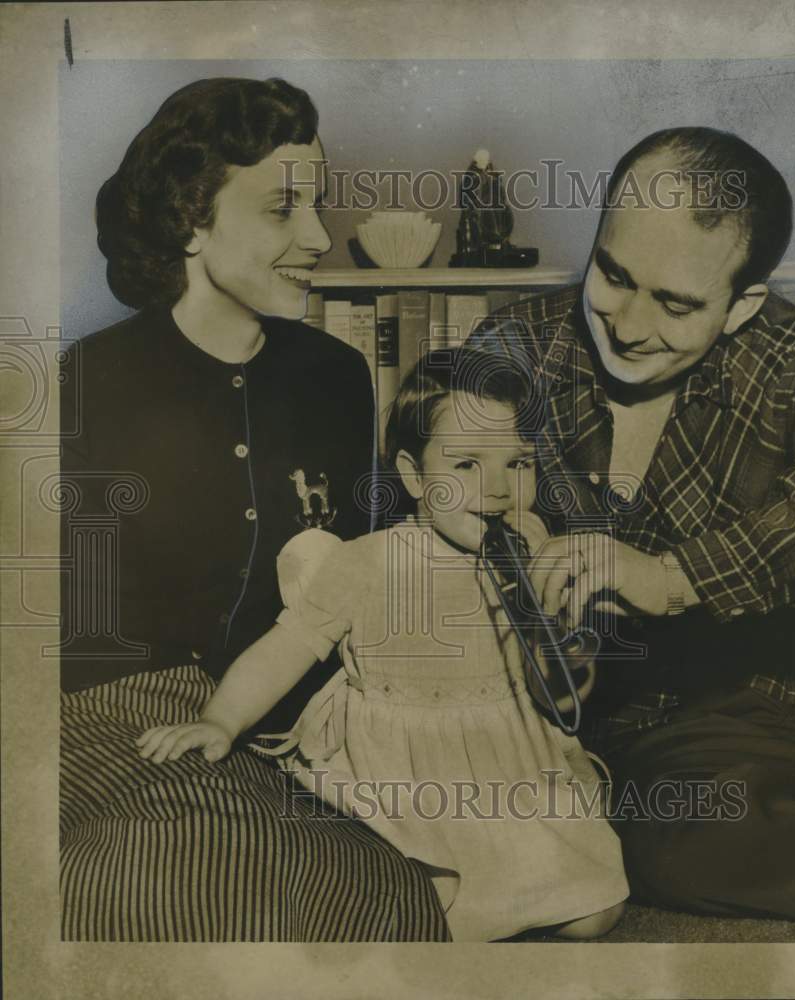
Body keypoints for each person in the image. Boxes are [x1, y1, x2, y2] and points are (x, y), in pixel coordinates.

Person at [59, 76, 448, 941]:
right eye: (282, 211)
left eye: (316, 208)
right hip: (108, 718)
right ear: (189, 219)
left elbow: (361, 569)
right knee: (186, 869)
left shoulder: (337, 378)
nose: (316, 237)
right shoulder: (82, 384)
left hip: (290, 718)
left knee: (392, 890)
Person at [137, 347, 630, 942]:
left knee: (595, 911)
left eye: (519, 464)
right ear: (414, 475)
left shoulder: (524, 555)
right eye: (467, 465)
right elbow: (285, 647)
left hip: (504, 763)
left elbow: (554, 675)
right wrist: (220, 720)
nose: (498, 489)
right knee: (414, 904)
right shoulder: (365, 563)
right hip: (398, 775)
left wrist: (564, 633)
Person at [468, 127, 795, 921]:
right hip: (525, 724)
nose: (626, 326)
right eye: (613, 274)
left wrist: (668, 579)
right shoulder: (510, 349)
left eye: (676, 304)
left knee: (690, 841)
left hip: (723, 718)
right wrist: (509, 565)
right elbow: (434, 508)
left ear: (741, 307)